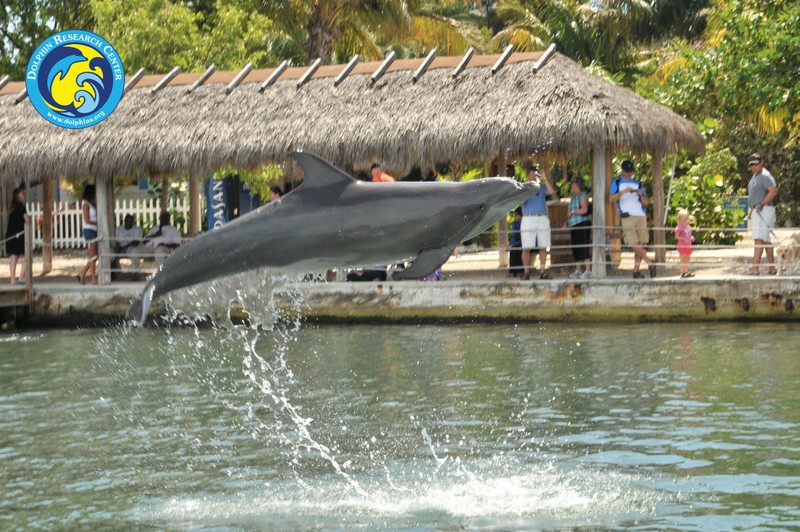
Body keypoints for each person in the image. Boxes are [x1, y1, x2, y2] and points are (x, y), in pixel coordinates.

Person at [609, 160, 656, 279]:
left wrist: (640, 194)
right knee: (632, 243)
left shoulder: (638, 183)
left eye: (631, 171)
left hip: (640, 214)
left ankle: (636, 271)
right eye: (627, 171)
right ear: (623, 170)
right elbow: (610, 199)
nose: (629, 173)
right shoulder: (617, 182)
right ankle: (650, 262)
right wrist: (622, 192)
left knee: (640, 243)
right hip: (627, 215)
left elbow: (646, 202)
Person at [520, 165, 554, 280]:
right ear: (528, 175)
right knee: (526, 247)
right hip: (528, 218)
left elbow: (551, 191)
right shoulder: (523, 187)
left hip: (542, 217)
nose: (534, 176)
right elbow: (521, 200)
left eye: (535, 173)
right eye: (531, 173)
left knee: (543, 246)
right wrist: (528, 188)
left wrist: (544, 178)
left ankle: (542, 272)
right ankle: (526, 272)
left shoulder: (542, 187)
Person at [746, 153, 778, 275]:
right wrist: (752, 210)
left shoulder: (765, 175)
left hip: (764, 210)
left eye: (755, 164)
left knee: (759, 239)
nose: (753, 167)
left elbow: (773, 191)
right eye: (751, 165)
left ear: (761, 163)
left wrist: (761, 204)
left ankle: (755, 268)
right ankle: (772, 268)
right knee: (765, 240)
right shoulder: (756, 176)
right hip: (757, 211)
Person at [566, 177, 592, 279]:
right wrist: (566, 222)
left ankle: (588, 270)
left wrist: (573, 212)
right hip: (573, 224)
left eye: (573, 187)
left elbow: (584, 210)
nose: (572, 189)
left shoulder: (583, 196)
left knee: (584, 245)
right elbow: (569, 213)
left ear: (578, 187)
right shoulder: (573, 198)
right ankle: (578, 270)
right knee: (576, 247)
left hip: (582, 223)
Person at [5, 186, 29, 285]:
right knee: (27, 256)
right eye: (22, 193)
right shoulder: (21, 207)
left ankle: (12, 279)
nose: (24, 194)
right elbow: (27, 219)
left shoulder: (12, 207)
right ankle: (21, 277)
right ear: (17, 195)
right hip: (18, 235)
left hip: (11, 234)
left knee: (14, 257)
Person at [77, 184, 98, 285]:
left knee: (95, 255)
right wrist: (98, 223)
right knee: (93, 256)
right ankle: (93, 278)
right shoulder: (85, 204)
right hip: (89, 230)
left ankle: (82, 272)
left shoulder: (91, 203)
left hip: (94, 230)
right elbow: (87, 220)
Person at [674, 209, 694, 278]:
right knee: (683, 258)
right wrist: (684, 239)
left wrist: (691, 237)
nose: (685, 220)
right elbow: (676, 236)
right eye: (683, 218)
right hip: (682, 245)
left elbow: (687, 234)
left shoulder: (688, 227)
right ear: (679, 219)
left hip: (688, 245)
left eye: (686, 218)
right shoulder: (679, 227)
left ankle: (687, 271)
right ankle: (683, 272)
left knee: (687, 258)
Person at [508, 208, 523, 277]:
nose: (514, 216)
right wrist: (510, 244)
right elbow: (514, 236)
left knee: (516, 249)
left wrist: (513, 244)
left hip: (523, 242)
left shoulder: (524, 224)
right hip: (518, 242)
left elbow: (522, 238)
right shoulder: (515, 223)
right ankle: (513, 271)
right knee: (514, 249)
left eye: (516, 215)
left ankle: (519, 271)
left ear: (520, 215)